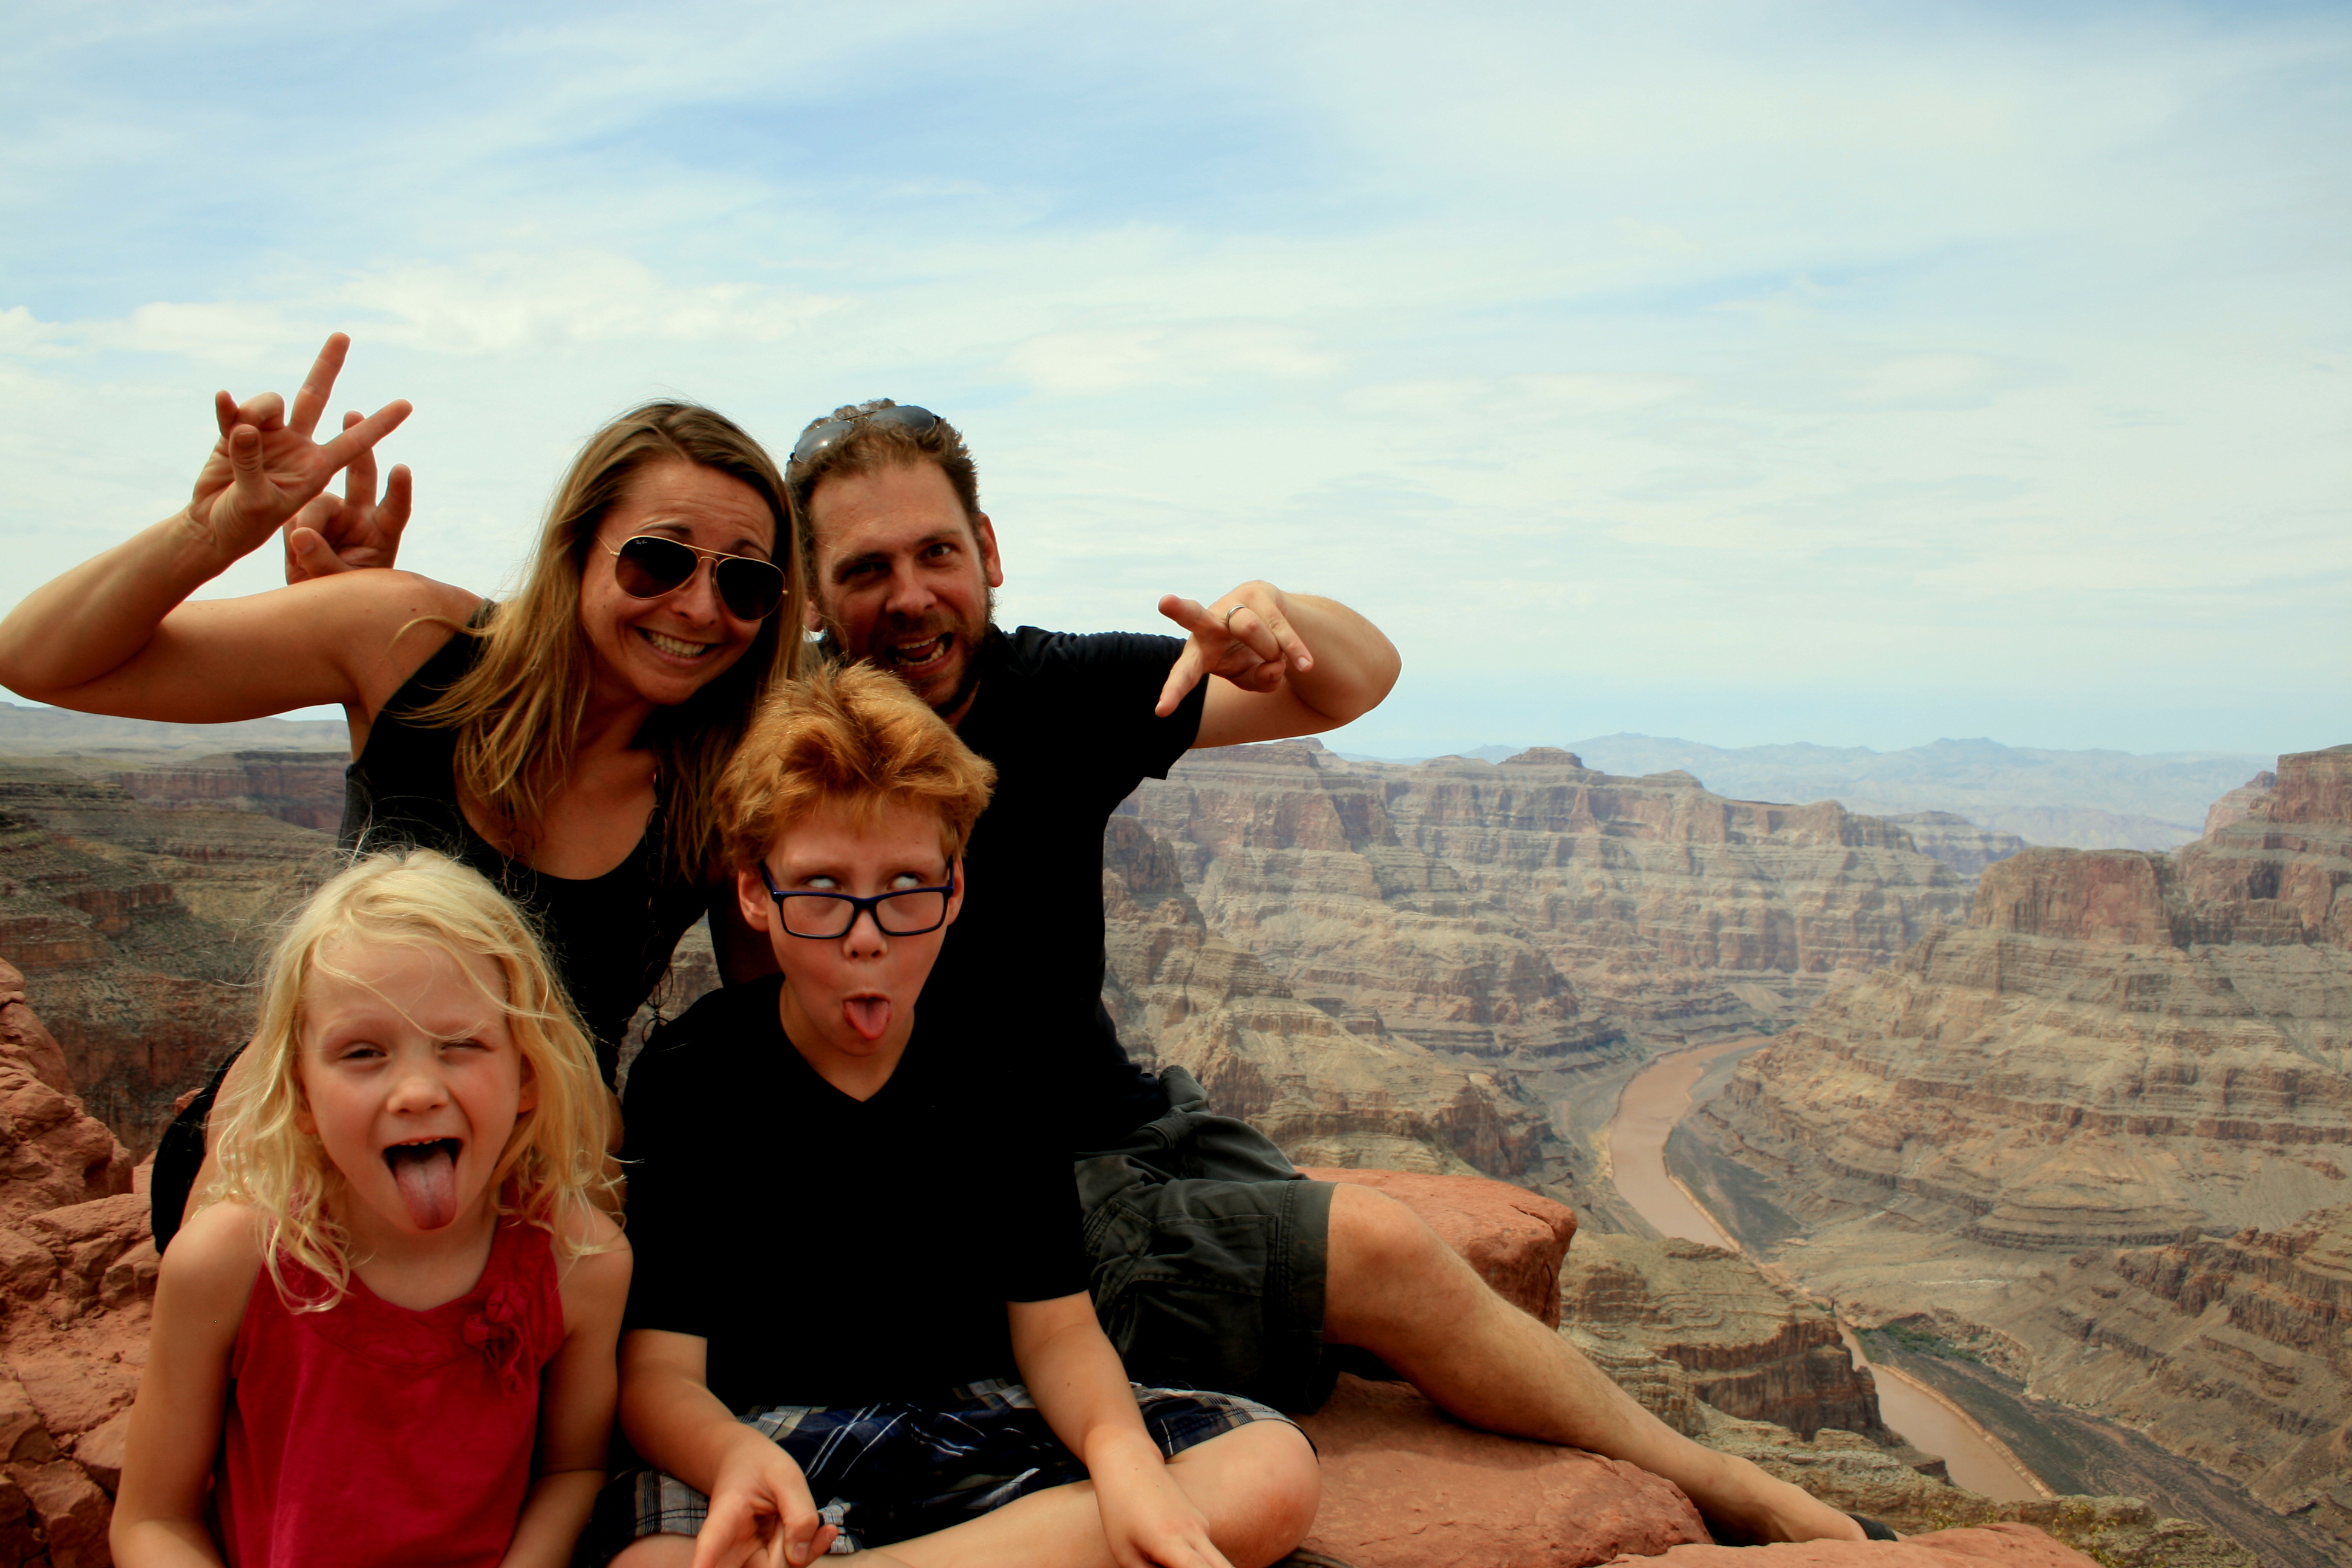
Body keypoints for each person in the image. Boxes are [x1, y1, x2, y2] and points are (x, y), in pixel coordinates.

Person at [772, 400, 1873, 1546]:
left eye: (936, 553)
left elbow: (1352, 681)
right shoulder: (790, 745)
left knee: (1366, 1260)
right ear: (809, 597)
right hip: (1015, 1204)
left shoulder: (1054, 685)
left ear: (988, 552)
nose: (910, 596)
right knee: (1380, 1248)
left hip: (1132, 1126)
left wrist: (1278, 612)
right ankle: (1721, 1484)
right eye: (865, 569)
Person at [0, 335, 808, 1244]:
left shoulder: (726, 784)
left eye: (745, 580)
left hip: (532, 1194)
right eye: (658, 560)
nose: (699, 607)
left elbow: (769, 1025)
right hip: (306, 1163)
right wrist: (212, 532)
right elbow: (35, 660)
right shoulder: (410, 643)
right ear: (577, 546)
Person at [589, 664, 1319, 1568]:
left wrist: (1123, 1461)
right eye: (821, 889)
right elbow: (661, 1373)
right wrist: (736, 1459)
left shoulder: (1003, 1059)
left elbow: (1056, 1329)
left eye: (906, 886)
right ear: (754, 893)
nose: (866, 935)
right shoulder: (694, 1075)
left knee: (1270, 1469)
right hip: (765, 1434)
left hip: (978, 1415)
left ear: (955, 888)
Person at [109, 849, 631, 1568]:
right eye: (362, 1053)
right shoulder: (227, 1265)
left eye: (460, 1045)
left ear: (528, 1074)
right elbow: (153, 1520)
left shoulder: (579, 1265)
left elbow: (571, 1470)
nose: (416, 1092)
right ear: (301, 1094)